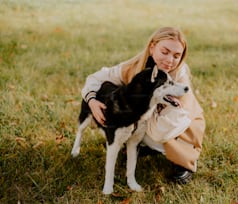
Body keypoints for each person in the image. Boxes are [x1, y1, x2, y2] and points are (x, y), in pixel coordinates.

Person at [81, 27, 205, 184]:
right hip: (150, 120)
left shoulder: (180, 77)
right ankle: (143, 145)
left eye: (176, 56)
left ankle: (183, 162)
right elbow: (95, 78)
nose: (169, 60)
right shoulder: (135, 66)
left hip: (179, 127)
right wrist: (92, 101)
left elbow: (162, 131)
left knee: (151, 133)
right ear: (152, 47)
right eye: (165, 52)